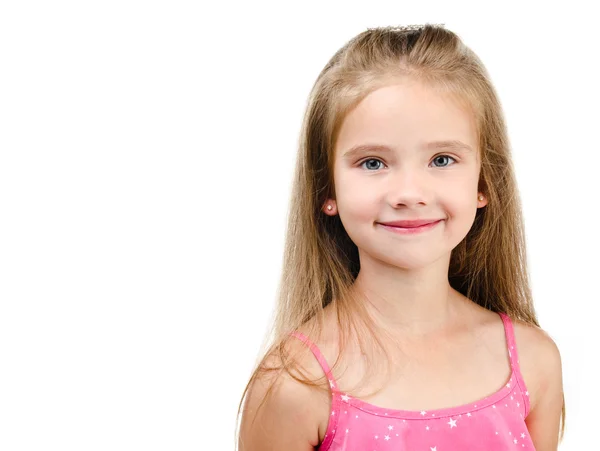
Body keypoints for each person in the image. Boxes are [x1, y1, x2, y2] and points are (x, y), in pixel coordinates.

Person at [236, 24, 565, 450]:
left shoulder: (534, 362)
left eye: (442, 159)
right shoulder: (294, 385)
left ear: (484, 182)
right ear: (326, 189)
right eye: (373, 163)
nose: (410, 194)